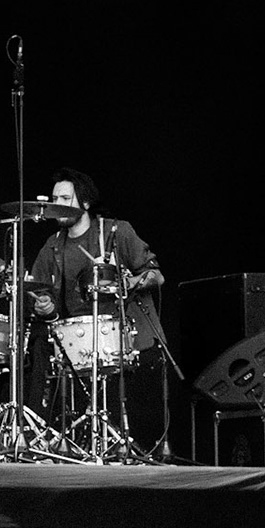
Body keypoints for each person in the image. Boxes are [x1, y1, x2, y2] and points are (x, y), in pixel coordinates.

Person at [27, 168, 167, 449]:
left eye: (65, 198)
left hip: (123, 336)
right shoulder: (52, 246)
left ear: (86, 202)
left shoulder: (117, 231)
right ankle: (39, 438)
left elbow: (156, 275)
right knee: (38, 340)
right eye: (54, 198)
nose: (57, 205)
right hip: (75, 342)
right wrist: (44, 307)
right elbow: (43, 297)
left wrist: (128, 282)